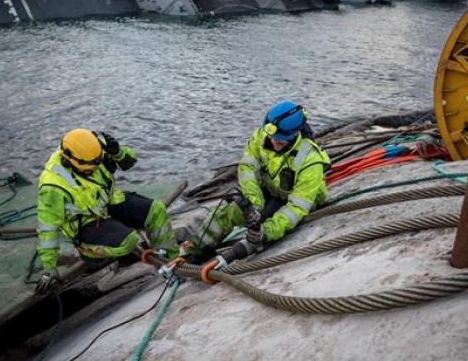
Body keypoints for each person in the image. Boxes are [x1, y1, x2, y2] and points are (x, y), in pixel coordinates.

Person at [187, 100, 330, 275]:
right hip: (270, 188)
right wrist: (254, 203)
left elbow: (297, 208)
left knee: (262, 234)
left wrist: (266, 231)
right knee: (228, 212)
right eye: (271, 136)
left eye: (279, 140)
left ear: (294, 134)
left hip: (296, 199)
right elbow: (247, 169)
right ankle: (195, 250)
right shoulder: (261, 136)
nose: (273, 141)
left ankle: (248, 243)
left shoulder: (310, 160)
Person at [35, 128, 179, 294]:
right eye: (89, 168)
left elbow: (130, 160)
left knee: (156, 209)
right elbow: (47, 229)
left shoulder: (95, 148)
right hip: (86, 223)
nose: (95, 169)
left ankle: (172, 261)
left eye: (98, 162)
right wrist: (49, 268)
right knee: (128, 241)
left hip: (110, 202)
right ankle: (87, 250)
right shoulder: (53, 186)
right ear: (70, 161)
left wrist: (118, 153)